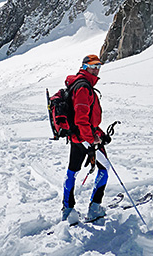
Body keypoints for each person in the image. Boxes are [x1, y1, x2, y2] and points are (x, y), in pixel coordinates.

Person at [62, 54, 111, 224]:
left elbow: (87, 118)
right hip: (85, 138)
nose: (96, 69)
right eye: (92, 66)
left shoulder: (80, 84)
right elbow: (81, 119)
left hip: (77, 137)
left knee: (72, 172)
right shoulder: (84, 87)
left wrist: (100, 134)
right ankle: (94, 208)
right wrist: (92, 139)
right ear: (84, 67)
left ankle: (68, 211)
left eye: (98, 66)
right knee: (104, 169)